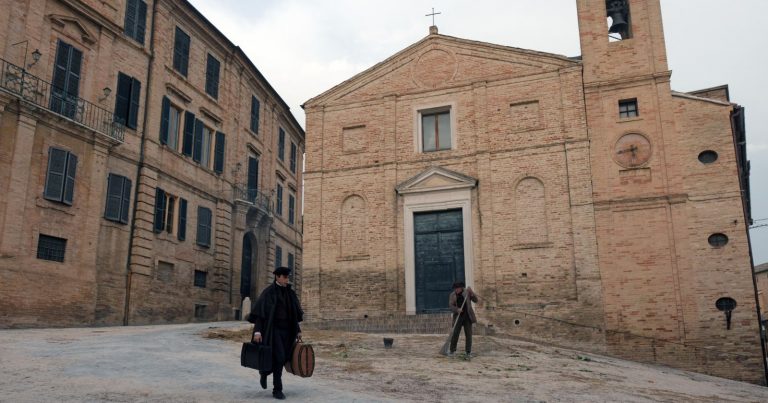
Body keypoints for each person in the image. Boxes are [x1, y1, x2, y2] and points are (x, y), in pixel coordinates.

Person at [248, 266, 303, 400]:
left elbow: (294, 314)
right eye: (284, 277)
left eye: (287, 277)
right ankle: (277, 389)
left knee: (284, 358)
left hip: (288, 331)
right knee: (279, 357)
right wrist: (257, 332)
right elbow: (261, 314)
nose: (286, 279)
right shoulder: (269, 292)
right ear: (277, 277)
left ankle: (265, 372)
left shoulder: (290, 293)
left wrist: (298, 331)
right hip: (274, 330)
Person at [448, 281, 478, 357]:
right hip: (458, 317)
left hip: (467, 316)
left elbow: (476, 300)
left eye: (458, 288)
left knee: (468, 334)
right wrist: (457, 309)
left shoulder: (467, 293)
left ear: (461, 288)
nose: (456, 290)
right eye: (455, 288)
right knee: (455, 334)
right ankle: (452, 350)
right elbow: (451, 306)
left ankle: (468, 352)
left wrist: (471, 293)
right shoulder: (452, 295)